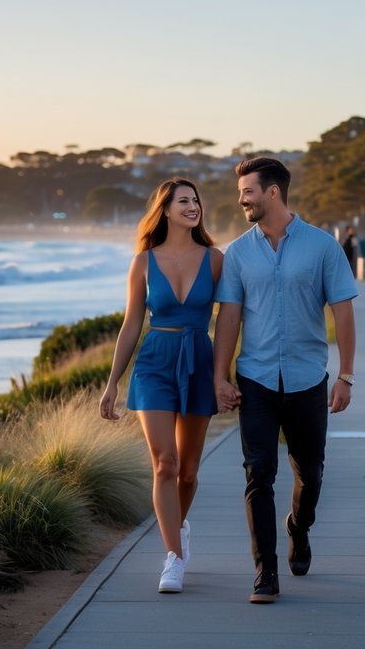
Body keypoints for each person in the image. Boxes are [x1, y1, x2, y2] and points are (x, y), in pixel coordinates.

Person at [213, 157, 358, 604]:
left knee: (310, 473)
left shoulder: (322, 247)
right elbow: (230, 317)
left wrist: (346, 376)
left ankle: (299, 526)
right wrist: (220, 376)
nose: (241, 199)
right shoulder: (238, 252)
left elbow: (344, 313)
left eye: (248, 192)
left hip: (307, 378)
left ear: (273, 192)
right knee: (258, 472)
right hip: (255, 378)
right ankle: (265, 572)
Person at [100, 178, 222, 594]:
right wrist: (112, 382)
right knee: (164, 463)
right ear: (165, 210)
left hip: (198, 362)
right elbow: (132, 323)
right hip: (154, 363)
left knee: (188, 472)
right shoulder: (143, 261)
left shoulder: (216, 259)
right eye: (183, 201)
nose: (192, 206)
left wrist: (225, 374)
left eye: (195, 200)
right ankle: (174, 557)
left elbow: (230, 320)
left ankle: (178, 528)